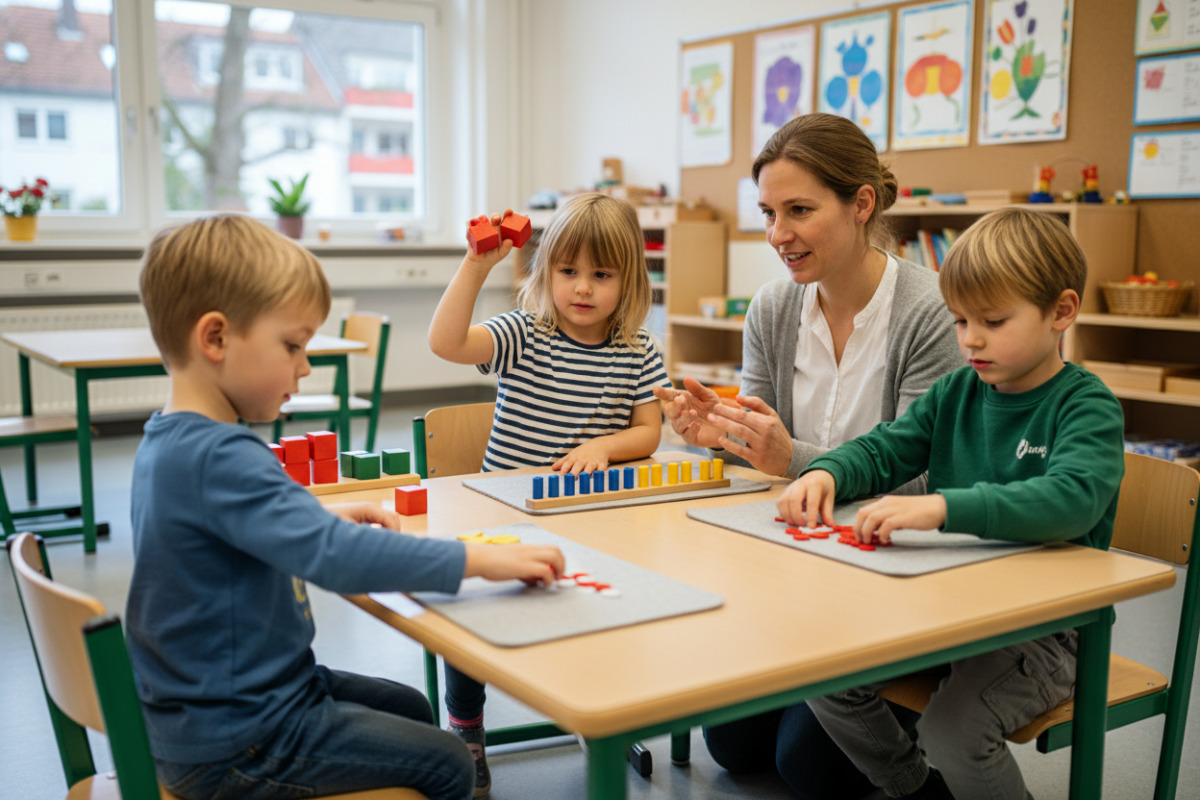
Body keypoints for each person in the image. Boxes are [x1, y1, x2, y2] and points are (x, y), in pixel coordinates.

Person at [126, 214, 565, 800]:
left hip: (230, 703)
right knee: (449, 763)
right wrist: (479, 561)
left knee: (412, 707)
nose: (306, 366)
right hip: (242, 737)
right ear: (215, 339)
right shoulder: (219, 457)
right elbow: (341, 560)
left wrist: (322, 518)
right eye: (292, 346)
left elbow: (228, 540)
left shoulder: (172, 441)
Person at [778, 206, 1126, 800]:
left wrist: (943, 508)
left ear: (1061, 312)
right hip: (951, 610)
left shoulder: (1085, 405)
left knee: (952, 730)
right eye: (961, 320)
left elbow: (1073, 500)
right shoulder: (958, 389)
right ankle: (918, 791)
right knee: (824, 670)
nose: (970, 339)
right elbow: (887, 448)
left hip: (1046, 632)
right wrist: (828, 472)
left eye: (993, 321)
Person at [663, 113, 962, 797]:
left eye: (799, 210)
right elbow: (760, 456)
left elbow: (925, 483)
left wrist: (792, 457)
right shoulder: (773, 308)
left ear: (862, 204)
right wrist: (720, 435)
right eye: (769, 213)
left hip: (895, 574)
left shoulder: (929, 311)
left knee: (807, 767)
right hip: (799, 571)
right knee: (733, 746)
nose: (778, 234)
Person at [428, 192, 672, 795]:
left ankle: (594, 711)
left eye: (601, 274)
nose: (582, 288)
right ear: (545, 272)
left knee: (616, 599)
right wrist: (475, 266)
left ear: (629, 280)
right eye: (568, 271)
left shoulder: (637, 348)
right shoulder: (524, 332)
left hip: (587, 520)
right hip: (502, 519)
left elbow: (648, 432)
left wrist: (604, 446)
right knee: (470, 610)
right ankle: (467, 727)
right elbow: (446, 344)